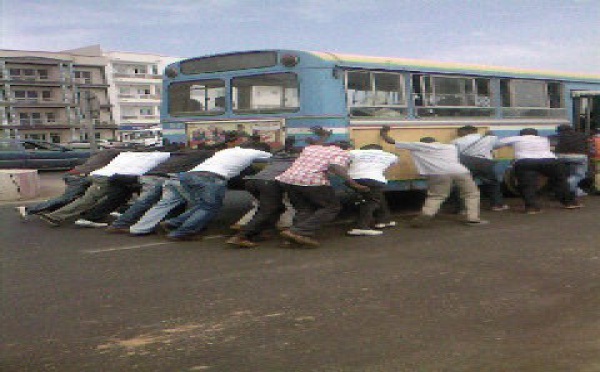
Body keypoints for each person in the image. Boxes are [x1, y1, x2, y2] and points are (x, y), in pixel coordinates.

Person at [129, 142, 273, 241]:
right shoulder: (255, 152)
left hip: (187, 176)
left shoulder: (227, 151)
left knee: (198, 205)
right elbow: (273, 158)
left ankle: (168, 224)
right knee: (210, 207)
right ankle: (182, 232)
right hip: (211, 178)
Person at [276, 127, 369, 247]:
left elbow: (318, 144)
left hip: (288, 179)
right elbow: (336, 167)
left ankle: (291, 239)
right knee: (331, 207)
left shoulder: (313, 148)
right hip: (311, 181)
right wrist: (354, 184)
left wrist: (325, 136)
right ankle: (296, 232)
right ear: (348, 148)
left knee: (305, 209)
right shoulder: (343, 153)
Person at [380, 125, 488, 227]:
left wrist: (383, 132)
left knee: (437, 196)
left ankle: (427, 214)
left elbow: (390, 141)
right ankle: (472, 218)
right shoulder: (450, 147)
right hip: (460, 171)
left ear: (423, 142)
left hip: (437, 174)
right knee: (471, 193)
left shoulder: (419, 146)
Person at [37, 151, 171, 227]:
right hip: (104, 178)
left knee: (116, 195)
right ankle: (55, 216)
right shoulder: (160, 157)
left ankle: (99, 214)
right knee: (88, 200)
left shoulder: (131, 155)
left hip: (99, 174)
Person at [105, 148, 217, 233]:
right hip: (170, 177)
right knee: (201, 203)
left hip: (153, 175)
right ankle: (186, 224)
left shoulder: (176, 155)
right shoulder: (208, 156)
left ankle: (128, 225)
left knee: (154, 203)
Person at [227, 137, 299, 248]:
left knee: (278, 208)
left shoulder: (277, 158)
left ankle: (256, 232)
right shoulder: (297, 160)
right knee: (268, 209)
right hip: (269, 183)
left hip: (252, 182)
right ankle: (241, 236)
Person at [14, 148, 121, 221]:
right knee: (67, 198)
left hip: (77, 174)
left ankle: (51, 211)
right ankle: (29, 209)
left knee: (79, 197)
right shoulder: (118, 156)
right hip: (79, 177)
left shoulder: (105, 153)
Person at [495, 128, 581, 214]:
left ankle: (531, 208)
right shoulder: (544, 139)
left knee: (528, 185)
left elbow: (496, 144)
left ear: (521, 134)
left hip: (526, 162)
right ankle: (570, 203)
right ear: (536, 134)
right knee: (560, 181)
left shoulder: (516, 138)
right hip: (549, 161)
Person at [451, 126, 508, 211]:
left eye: (459, 132)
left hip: (466, 164)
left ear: (465, 132)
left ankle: (461, 208)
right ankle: (497, 205)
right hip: (484, 163)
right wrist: (493, 137)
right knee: (492, 184)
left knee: (463, 185)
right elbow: (498, 145)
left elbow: (454, 154)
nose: (458, 134)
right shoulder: (488, 138)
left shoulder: (456, 141)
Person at [346, 144, 399, 236]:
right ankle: (361, 227)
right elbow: (388, 167)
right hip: (374, 179)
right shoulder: (391, 155)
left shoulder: (354, 152)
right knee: (372, 201)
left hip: (353, 179)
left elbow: (345, 162)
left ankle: (383, 220)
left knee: (375, 198)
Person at [551, 124, 590, 197]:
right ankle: (566, 188)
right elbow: (587, 146)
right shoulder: (582, 135)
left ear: (560, 131)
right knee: (579, 175)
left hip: (560, 157)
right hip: (579, 157)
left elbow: (551, 146)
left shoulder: (556, 137)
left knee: (571, 174)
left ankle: (576, 191)